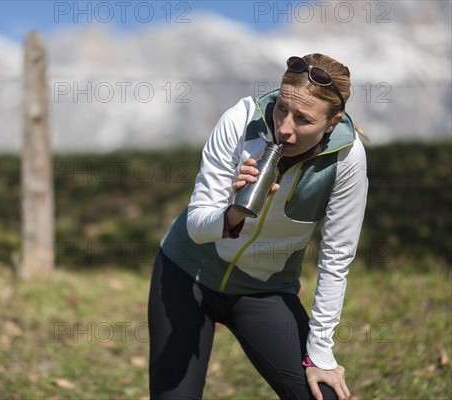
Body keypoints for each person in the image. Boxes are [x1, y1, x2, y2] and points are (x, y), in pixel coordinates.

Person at [148, 53, 368, 400]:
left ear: (332, 121)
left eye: (303, 119)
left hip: (264, 290)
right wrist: (234, 212)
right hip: (188, 273)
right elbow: (197, 225)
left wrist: (320, 354)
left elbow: (337, 257)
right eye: (282, 108)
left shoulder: (347, 158)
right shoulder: (241, 120)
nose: (284, 128)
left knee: (320, 396)